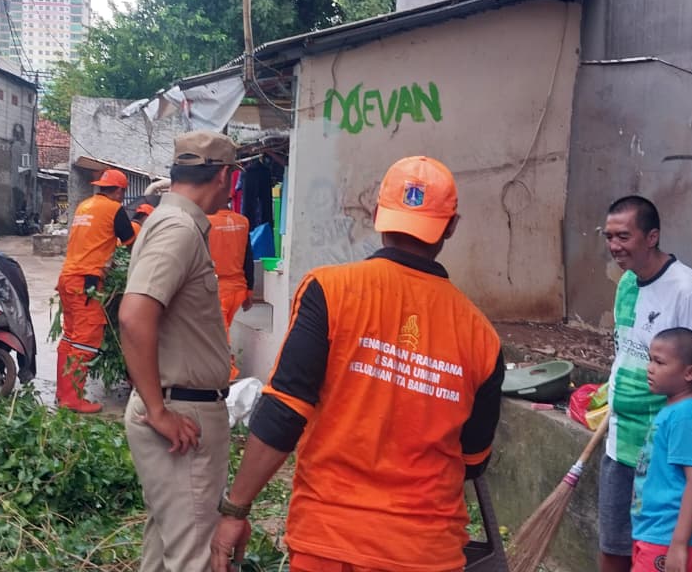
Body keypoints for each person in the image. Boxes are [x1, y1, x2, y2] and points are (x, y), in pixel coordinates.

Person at [210, 156, 505, 572]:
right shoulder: (482, 338)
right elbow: (473, 461)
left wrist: (234, 510)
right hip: (424, 552)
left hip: (329, 542)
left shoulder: (329, 291)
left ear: (378, 215)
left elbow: (285, 410)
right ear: (451, 226)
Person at [118, 131, 238, 572]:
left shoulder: (171, 222)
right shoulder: (179, 228)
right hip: (181, 413)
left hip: (178, 406)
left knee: (168, 548)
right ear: (225, 176)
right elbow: (134, 315)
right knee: (195, 558)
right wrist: (158, 410)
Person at [599, 196, 692, 572]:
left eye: (623, 236)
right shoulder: (626, 283)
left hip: (665, 451)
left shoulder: (686, 290)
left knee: (659, 549)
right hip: (622, 438)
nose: (613, 246)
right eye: (608, 236)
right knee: (614, 545)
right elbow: (627, 350)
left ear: (652, 236)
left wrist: (689, 437)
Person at [631, 328, 692, 572]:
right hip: (655, 533)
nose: (650, 368)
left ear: (690, 373)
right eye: (650, 359)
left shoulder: (687, 417)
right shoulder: (673, 409)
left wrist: (679, 545)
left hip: (670, 538)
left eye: (659, 362)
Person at [54, 168, 137, 413]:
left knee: (69, 338)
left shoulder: (84, 206)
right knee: (86, 341)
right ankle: (73, 398)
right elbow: (131, 243)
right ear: (120, 191)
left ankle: (63, 392)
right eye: (122, 192)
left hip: (68, 278)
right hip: (87, 283)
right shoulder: (114, 210)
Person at [206, 204, 253, 381]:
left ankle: (229, 378)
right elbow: (249, 257)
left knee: (219, 339)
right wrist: (250, 290)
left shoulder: (206, 222)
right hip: (238, 289)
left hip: (218, 290)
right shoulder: (243, 222)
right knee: (222, 335)